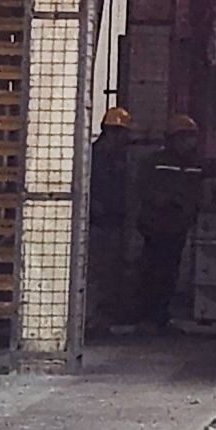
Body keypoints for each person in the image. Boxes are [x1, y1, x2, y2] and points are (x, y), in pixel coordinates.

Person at [136, 114, 206, 330]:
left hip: (177, 227)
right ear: (172, 138)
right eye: (184, 137)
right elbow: (144, 189)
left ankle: (161, 315)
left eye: (191, 137)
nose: (188, 142)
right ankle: (149, 314)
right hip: (155, 226)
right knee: (153, 271)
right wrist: (165, 201)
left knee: (169, 272)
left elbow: (201, 187)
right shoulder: (154, 162)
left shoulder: (195, 164)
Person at [87, 105, 135, 336]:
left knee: (109, 273)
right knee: (95, 272)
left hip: (113, 222)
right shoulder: (95, 157)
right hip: (97, 224)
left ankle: (100, 318)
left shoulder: (117, 157)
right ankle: (90, 318)